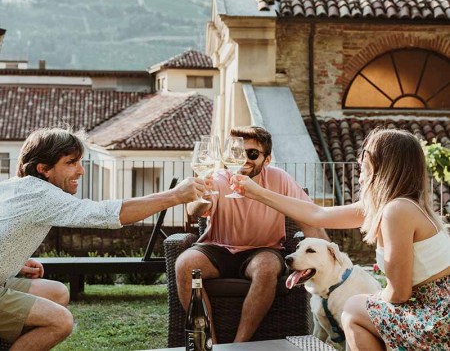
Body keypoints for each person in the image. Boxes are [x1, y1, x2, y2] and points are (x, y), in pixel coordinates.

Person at [232, 128, 450, 351]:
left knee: (353, 307)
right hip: (432, 308)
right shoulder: (396, 206)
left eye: (363, 163)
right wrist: (256, 192)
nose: (359, 172)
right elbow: (318, 214)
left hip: (438, 317)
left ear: (381, 167)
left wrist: (370, 296)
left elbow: (399, 293)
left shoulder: (397, 211)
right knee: (358, 307)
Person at [0, 127, 205, 351]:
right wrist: (175, 195)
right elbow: (107, 213)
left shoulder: (14, 186)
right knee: (60, 322)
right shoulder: (43, 194)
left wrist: (13, 262)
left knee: (57, 293)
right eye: (71, 162)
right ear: (44, 169)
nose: (81, 171)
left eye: (80, 162)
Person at [175, 126, 328, 343]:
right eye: (238, 153)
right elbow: (194, 212)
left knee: (266, 268)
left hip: (263, 250)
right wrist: (202, 198)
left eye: (252, 154)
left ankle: (239, 345)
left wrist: (333, 257)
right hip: (217, 247)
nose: (244, 159)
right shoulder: (219, 177)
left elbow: (309, 218)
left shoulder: (280, 179)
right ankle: (211, 343)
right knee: (184, 265)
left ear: (267, 159)